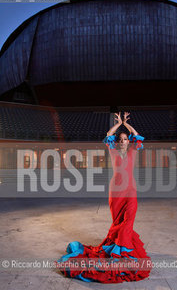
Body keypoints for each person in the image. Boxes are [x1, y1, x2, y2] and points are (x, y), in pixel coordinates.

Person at [55, 112, 152, 283]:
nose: (122, 141)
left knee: (128, 221)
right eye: (120, 139)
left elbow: (137, 136)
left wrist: (126, 124)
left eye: (125, 139)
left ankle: (123, 252)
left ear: (128, 141)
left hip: (130, 192)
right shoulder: (113, 151)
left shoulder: (133, 151)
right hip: (115, 193)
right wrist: (118, 124)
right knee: (118, 223)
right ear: (117, 142)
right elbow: (108, 135)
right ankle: (118, 248)